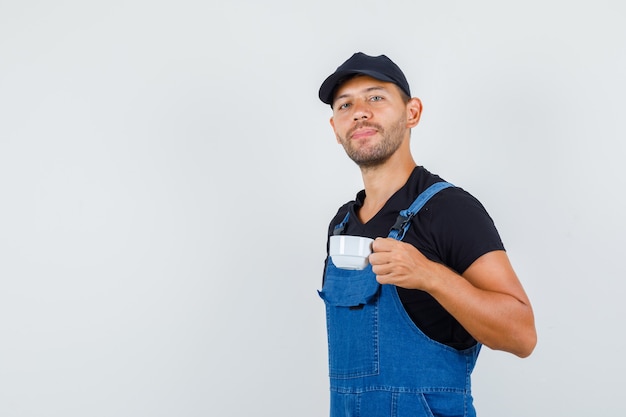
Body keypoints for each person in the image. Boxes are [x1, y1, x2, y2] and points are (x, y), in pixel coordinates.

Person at [317, 52, 537, 417]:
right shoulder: (341, 224)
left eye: (376, 97)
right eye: (345, 105)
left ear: (412, 113)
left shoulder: (450, 210)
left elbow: (522, 334)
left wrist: (430, 275)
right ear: (336, 129)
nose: (359, 112)